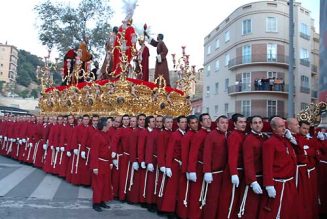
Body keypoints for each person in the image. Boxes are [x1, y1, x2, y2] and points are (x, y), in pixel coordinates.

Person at [259, 117, 297, 219]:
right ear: (273, 128)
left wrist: (292, 139)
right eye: (280, 126)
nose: (284, 129)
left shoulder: (287, 140)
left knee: (287, 211)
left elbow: (299, 154)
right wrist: (269, 184)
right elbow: (267, 165)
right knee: (273, 213)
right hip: (277, 184)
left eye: (284, 126)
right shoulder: (269, 143)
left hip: (289, 182)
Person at [218, 113, 247, 219]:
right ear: (234, 124)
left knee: (236, 200)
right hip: (234, 171)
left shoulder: (242, 134)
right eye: (240, 122)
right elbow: (232, 156)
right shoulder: (234, 136)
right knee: (230, 199)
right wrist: (234, 173)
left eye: (244, 122)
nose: (243, 124)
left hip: (240, 171)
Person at [202, 115, 229, 219]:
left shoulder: (227, 135)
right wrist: (207, 171)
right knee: (212, 200)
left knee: (222, 200)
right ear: (217, 124)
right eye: (222, 123)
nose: (225, 125)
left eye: (226, 123)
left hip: (224, 173)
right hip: (214, 173)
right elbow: (207, 154)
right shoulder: (212, 135)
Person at [241, 116, 268, 219]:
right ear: (251, 125)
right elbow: (248, 162)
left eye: (260, 122)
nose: (258, 124)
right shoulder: (249, 139)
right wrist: (253, 181)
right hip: (254, 178)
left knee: (261, 208)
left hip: (263, 178)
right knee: (250, 208)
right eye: (255, 123)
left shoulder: (265, 137)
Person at [90, 117, 113, 212]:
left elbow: (109, 149)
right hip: (99, 163)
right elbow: (94, 152)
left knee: (105, 184)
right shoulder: (96, 135)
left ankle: (102, 201)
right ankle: (96, 203)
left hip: (106, 163)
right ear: (104, 125)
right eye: (108, 122)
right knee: (98, 185)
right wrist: (95, 167)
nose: (110, 124)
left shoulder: (107, 134)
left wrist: (110, 162)